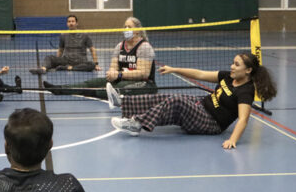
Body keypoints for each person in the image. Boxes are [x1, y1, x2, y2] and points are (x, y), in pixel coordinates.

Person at [107, 53, 277, 149]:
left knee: (177, 101)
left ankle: (136, 124)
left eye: (237, 65)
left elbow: (244, 118)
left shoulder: (246, 91)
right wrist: (174, 69)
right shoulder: (228, 76)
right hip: (201, 106)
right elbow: (200, 74)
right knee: (164, 98)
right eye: (233, 63)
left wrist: (233, 139)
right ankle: (122, 102)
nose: (232, 66)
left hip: (211, 123)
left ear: (248, 70)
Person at [43, 17, 157, 100]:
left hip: (144, 84)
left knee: (111, 91)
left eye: (129, 27)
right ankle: (59, 89)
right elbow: (113, 67)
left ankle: (94, 93)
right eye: (125, 27)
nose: (126, 29)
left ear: (137, 30)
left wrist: (119, 74)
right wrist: (112, 73)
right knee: (92, 82)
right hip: (122, 79)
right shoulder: (120, 46)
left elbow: (143, 73)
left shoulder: (144, 47)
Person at [29, 15, 100, 74]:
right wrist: (57, 61)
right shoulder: (63, 35)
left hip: (80, 61)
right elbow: (60, 50)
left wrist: (96, 64)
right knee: (49, 58)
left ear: (77, 23)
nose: (71, 23)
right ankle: (43, 69)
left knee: (92, 65)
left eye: (73, 21)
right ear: (67, 24)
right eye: (69, 21)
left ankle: (69, 68)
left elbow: (92, 50)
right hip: (66, 60)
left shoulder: (85, 35)